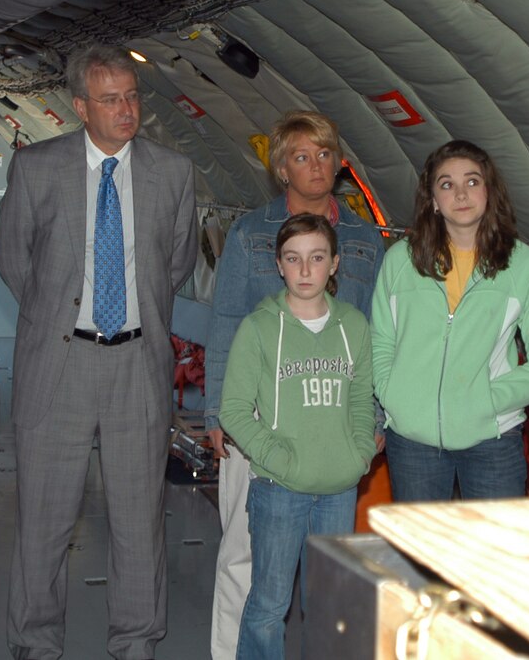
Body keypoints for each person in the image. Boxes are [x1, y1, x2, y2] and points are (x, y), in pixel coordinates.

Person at [0, 43, 197, 660]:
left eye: (132, 96)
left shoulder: (173, 172)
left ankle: (135, 642)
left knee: (139, 522)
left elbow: (178, 261)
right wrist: (61, 310)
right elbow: (12, 256)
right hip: (61, 363)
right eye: (110, 99)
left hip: (138, 363)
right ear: (81, 105)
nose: (126, 109)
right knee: (45, 520)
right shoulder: (38, 168)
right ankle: (35, 643)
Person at [205, 110, 383, 659]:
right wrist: (217, 412)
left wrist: (370, 425)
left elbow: (372, 333)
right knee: (244, 556)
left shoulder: (362, 238)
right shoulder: (252, 233)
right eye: (302, 157)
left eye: (325, 154)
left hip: (329, 422)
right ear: (282, 168)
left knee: (325, 576)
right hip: (259, 420)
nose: (316, 167)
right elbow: (227, 321)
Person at [372, 140, 529, 501]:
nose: (461, 193)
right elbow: (382, 341)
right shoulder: (400, 261)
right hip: (413, 442)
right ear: (432, 199)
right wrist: (394, 396)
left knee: (489, 553)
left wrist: (490, 400)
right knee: (421, 554)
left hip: (491, 440)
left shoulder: (521, 265)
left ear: (490, 192)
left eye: (473, 182)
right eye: (446, 184)